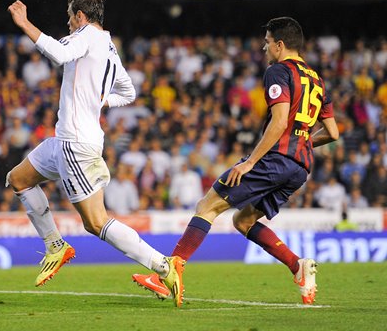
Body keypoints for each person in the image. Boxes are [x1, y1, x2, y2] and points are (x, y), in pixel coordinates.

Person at [133, 17, 339, 305]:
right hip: (299, 167)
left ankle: (170, 271)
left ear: (280, 45)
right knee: (243, 220)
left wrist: (250, 161)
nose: (264, 47)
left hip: (275, 159)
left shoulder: (278, 71)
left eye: (267, 42)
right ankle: (297, 266)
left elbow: (279, 122)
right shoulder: (317, 80)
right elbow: (333, 132)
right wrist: (302, 142)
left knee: (207, 205)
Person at [6, 0, 185, 307]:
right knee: (18, 179)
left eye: (69, 14)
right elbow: (127, 92)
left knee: (96, 222)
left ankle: (163, 266)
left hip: (76, 143)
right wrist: (100, 100)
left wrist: (24, 23)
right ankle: (55, 246)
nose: (67, 20)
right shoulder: (108, 46)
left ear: (80, 16)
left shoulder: (87, 36)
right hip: (65, 140)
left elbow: (58, 55)